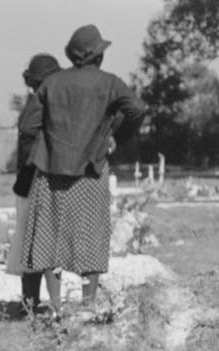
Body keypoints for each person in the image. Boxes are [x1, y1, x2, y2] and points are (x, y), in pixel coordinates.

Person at [20, 25, 146, 311]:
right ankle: (88, 307)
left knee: (49, 240)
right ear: (98, 57)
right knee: (91, 236)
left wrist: (51, 140)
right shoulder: (110, 83)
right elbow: (137, 109)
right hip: (91, 172)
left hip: (51, 175)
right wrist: (115, 137)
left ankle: (55, 309)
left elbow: (27, 125)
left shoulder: (52, 83)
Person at [6, 53, 62, 316]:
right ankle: (38, 302)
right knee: (35, 244)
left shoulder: (39, 103)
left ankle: (38, 303)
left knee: (35, 244)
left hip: (35, 179)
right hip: (34, 179)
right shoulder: (43, 103)